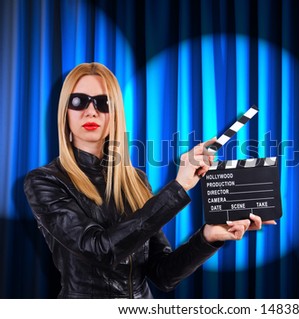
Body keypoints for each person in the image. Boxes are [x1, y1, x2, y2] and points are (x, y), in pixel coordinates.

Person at [24, 62, 274, 298]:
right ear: (64, 112)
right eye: (79, 101)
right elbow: (100, 250)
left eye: (103, 102)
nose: (91, 111)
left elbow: (163, 274)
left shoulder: (135, 180)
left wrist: (208, 238)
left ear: (115, 115)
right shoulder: (45, 182)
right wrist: (179, 187)